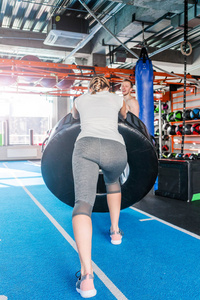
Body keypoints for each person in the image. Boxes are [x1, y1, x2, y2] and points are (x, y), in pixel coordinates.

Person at [72, 75, 127, 298]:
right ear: (108, 86)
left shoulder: (80, 99)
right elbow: (125, 115)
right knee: (113, 182)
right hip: (116, 148)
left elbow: (73, 117)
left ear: (90, 87)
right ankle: (115, 232)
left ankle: (86, 277)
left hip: (86, 145)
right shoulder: (116, 98)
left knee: (83, 204)